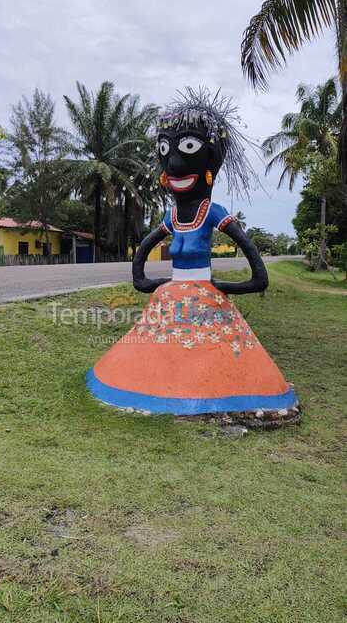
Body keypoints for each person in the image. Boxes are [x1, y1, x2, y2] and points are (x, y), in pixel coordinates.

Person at [86, 88, 300, 424]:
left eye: (187, 148)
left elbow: (260, 275)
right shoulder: (172, 217)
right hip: (171, 298)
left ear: (211, 161)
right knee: (154, 360)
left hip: (206, 297)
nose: (173, 163)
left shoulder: (213, 212)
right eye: (165, 150)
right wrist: (155, 284)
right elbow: (141, 261)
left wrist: (220, 287)